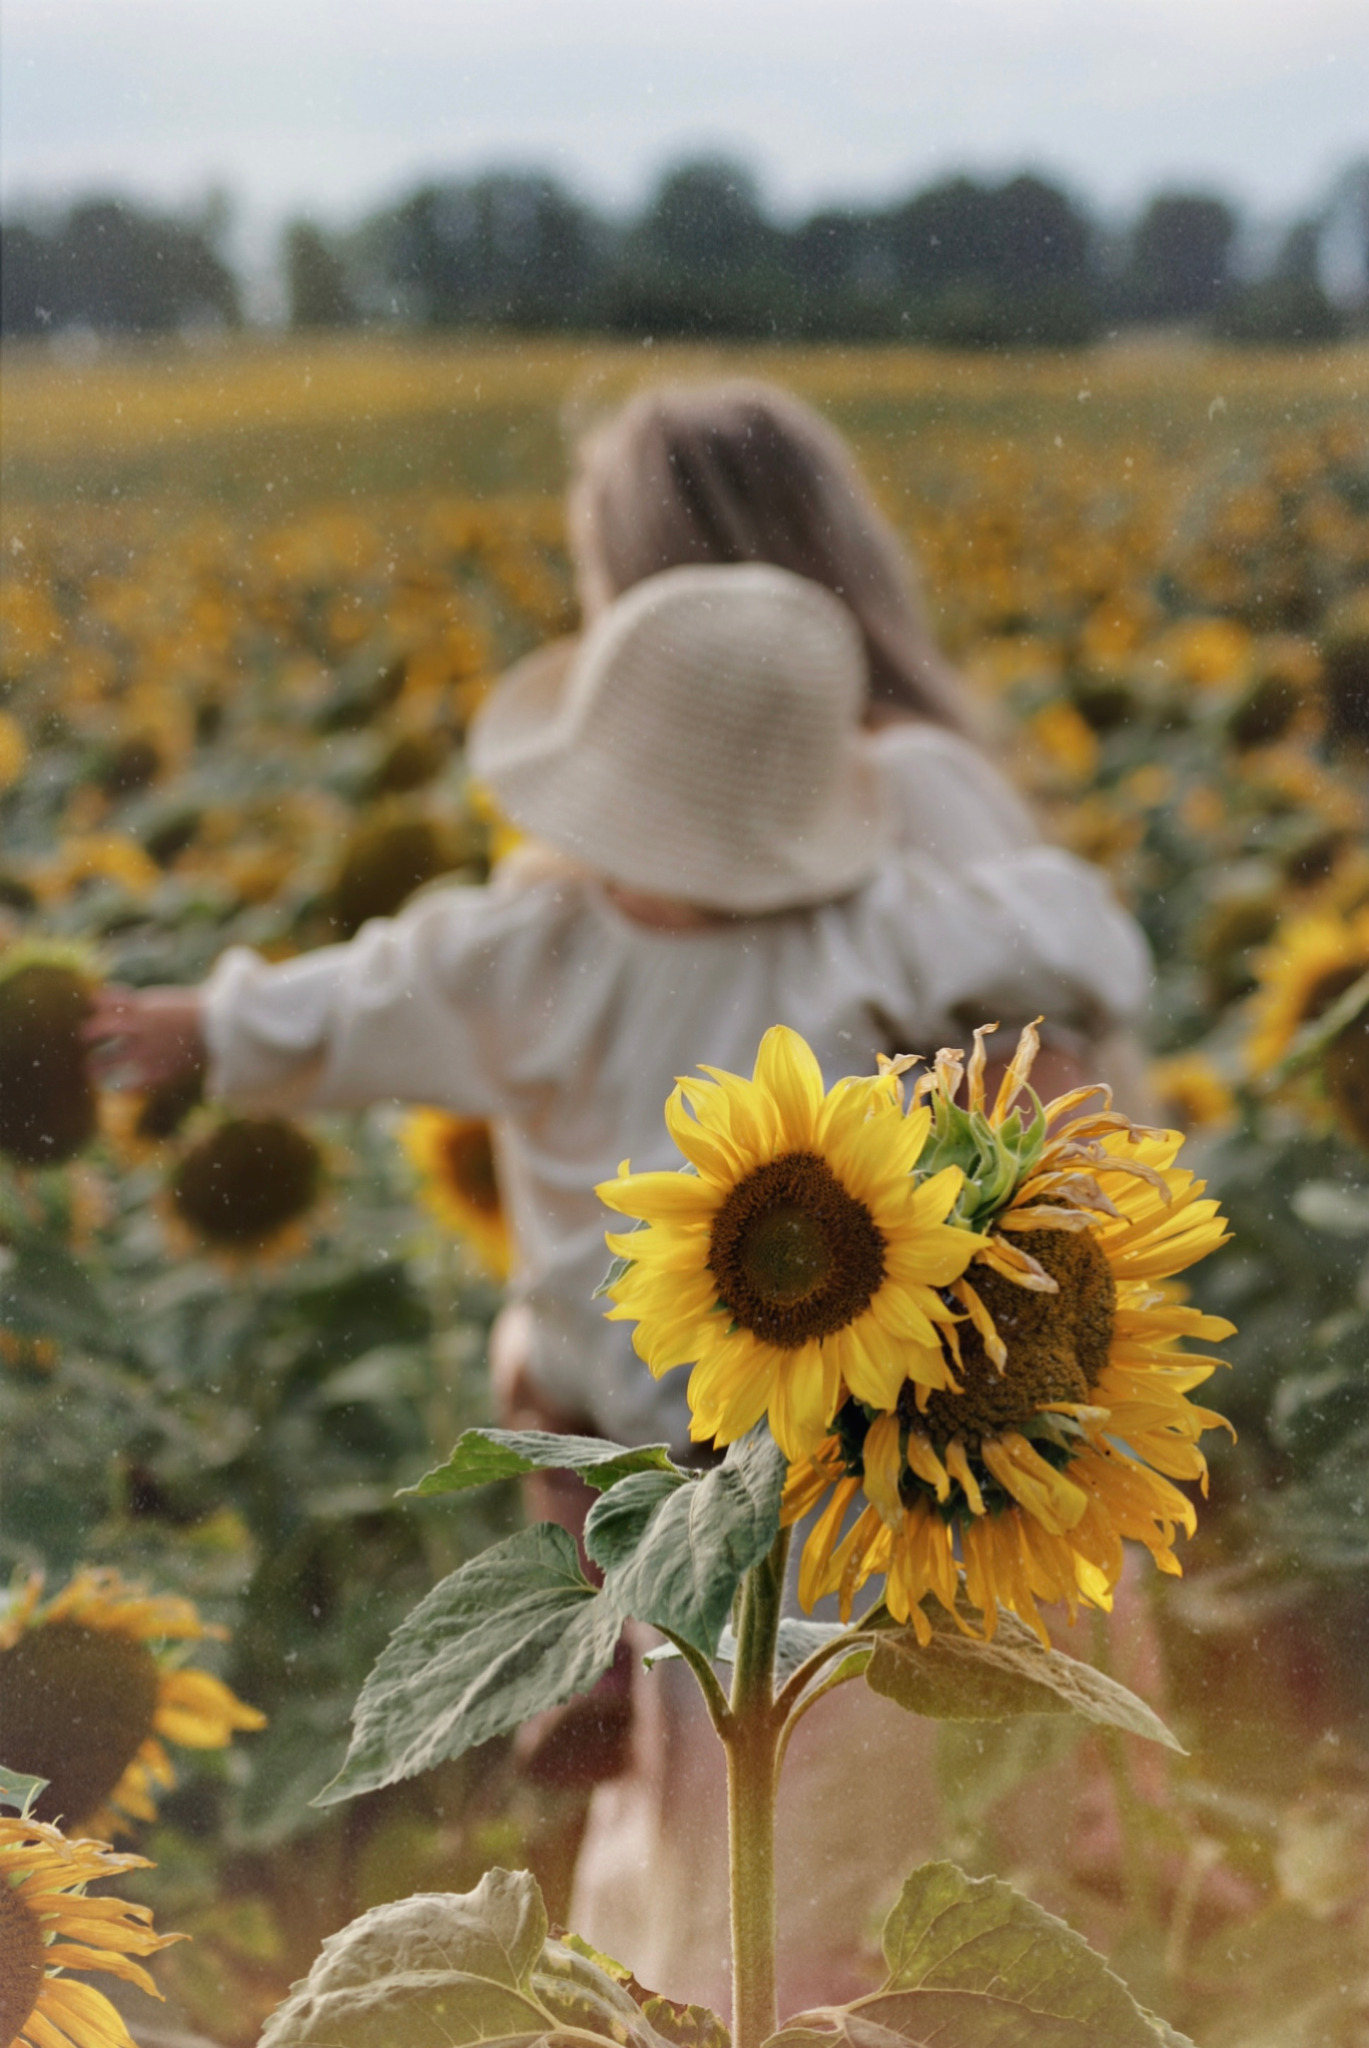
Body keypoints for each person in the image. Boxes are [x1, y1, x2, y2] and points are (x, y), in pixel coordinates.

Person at [88, 560, 1151, 2003]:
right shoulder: (857, 922)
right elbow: (1068, 928)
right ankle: (717, 1983)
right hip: (661, 1462)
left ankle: (743, 1996)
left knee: (777, 1809)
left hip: (817, 1461)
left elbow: (367, 995)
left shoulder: (552, 945)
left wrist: (200, 1025)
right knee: (713, 1784)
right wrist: (202, 1026)